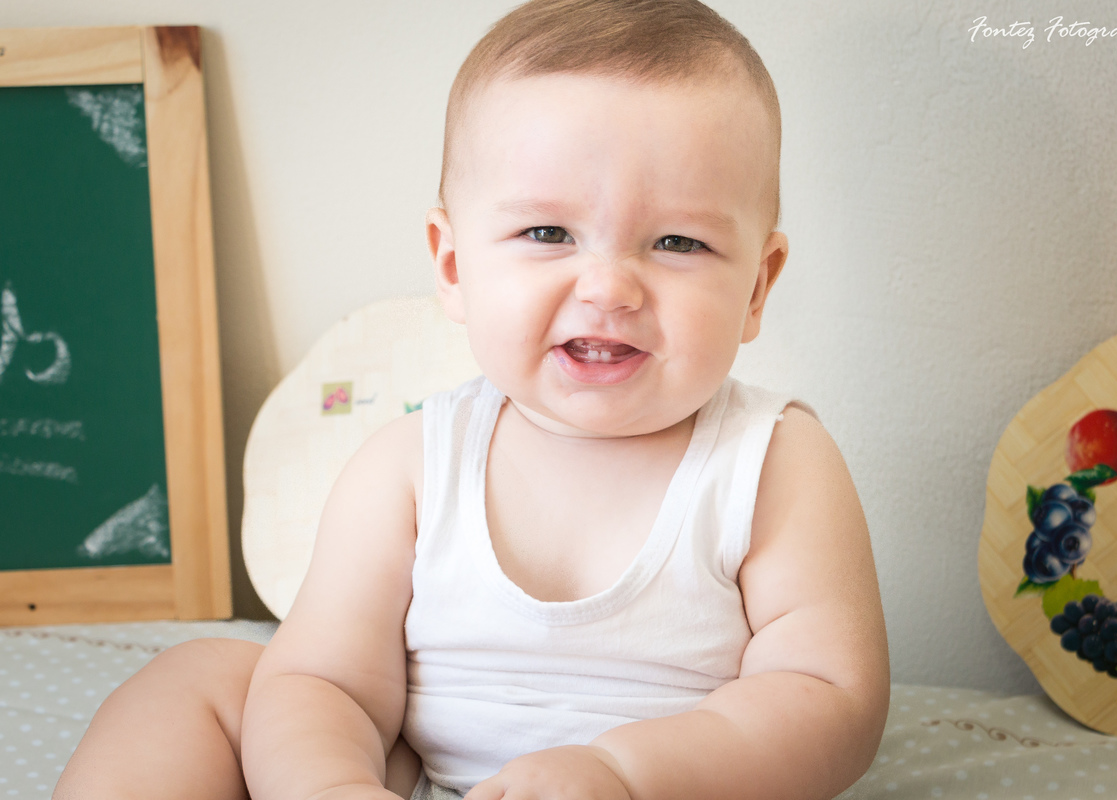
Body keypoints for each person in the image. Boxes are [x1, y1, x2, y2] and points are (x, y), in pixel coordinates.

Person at [54, 1, 889, 799]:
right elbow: (328, 682)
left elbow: (828, 697)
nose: (608, 287)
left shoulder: (770, 463)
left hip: (672, 789)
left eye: (678, 241)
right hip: (421, 779)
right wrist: (331, 784)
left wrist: (626, 775)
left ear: (756, 288)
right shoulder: (410, 467)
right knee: (207, 678)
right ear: (453, 265)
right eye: (548, 233)